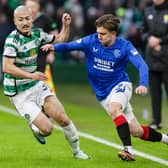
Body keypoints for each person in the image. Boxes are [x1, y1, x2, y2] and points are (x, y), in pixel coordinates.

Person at [41, 14, 168, 161]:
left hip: (120, 85)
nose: (99, 36)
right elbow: (71, 46)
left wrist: (143, 83)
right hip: (102, 94)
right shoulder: (91, 40)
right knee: (136, 131)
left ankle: (128, 150)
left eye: (103, 34)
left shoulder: (124, 46)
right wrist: (53, 47)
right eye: (98, 33)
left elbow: (142, 65)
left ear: (113, 33)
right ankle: (166, 139)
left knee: (115, 108)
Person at [2, 5, 89, 160]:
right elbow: (6, 67)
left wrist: (66, 26)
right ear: (15, 22)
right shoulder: (12, 41)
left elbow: (60, 39)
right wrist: (30, 75)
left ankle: (77, 152)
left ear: (32, 19)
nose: (24, 22)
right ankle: (35, 127)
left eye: (27, 18)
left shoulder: (37, 34)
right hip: (19, 93)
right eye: (20, 19)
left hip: (36, 85)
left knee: (62, 117)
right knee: (47, 129)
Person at [142, 0, 168, 130]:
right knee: (155, 92)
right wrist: (149, 38)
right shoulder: (148, 11)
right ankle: (156, 121)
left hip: (166, 58)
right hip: (152, 58)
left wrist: (160, 41)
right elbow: (143, 31)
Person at [25, 0, 57, 93]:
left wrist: (51, 52)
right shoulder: (24, 20)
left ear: (38, 7)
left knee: (44, 84)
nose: (30, 9)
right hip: (28, 57)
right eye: (28, 7)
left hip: (42, 57)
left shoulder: (45, 19)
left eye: (32, 7)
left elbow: (55, 35)